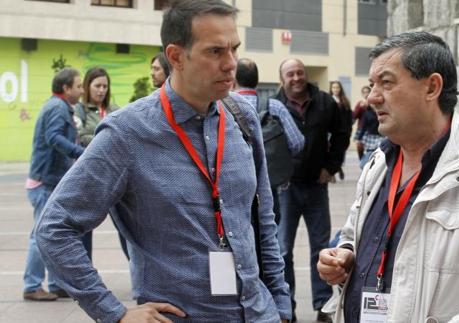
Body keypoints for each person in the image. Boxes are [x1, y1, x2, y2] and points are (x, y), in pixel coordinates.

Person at [35, 1, 291, 322]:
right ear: (175, 57)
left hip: (258, 312)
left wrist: (281, 305)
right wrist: (113, 312)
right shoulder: (127, 132)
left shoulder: (242, 117)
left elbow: (263, 218)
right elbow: (54, 229)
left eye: (234, 49)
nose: (231, 64)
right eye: (215, 52)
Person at [317, 31, 459, 323]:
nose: (372, 97)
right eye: (372, 85)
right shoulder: (378, 164)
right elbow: (352, 235)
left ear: (432, 87)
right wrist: (344, 255)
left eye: (386, 82)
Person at [273, 58, 350, 322]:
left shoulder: (325, 102)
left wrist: (331, 166)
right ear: (282, 78)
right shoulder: (274, 106)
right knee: (283, 250)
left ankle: (321, 306)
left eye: (300, 72)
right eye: (290, 74)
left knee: (321, 249)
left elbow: (342, 132)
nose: (296, 78)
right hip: (286, 189)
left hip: (317, 188)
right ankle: (287, 308)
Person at [23, 68, 85, 301]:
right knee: (41, 235)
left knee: (52, 234)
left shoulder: (57, 106)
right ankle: (32, 285)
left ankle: (57, 283)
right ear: (66, 88)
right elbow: (54, 137)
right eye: (78, 86)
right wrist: (82, 153)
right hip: (46, 182)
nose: (81, 90)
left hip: (49, 180)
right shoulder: (57, 108)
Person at [235, 58, 305, 224]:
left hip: (233, 190)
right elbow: (298, 142)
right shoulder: (275, 106)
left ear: (234, 79)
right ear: (257, 80)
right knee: (268, 236)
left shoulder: (220, 106)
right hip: (268, 187)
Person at [74, 67, 129, 260]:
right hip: (90, 178)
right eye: (97, 85)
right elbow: (80, 137)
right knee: (83, 230)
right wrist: (106, 137)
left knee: (127, 227)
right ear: (88, 86)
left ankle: (137, 270)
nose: (101, 90)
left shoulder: (114, 109)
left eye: (105, 86)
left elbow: (124, 134)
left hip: (115, 177)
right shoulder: (79, 111)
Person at [329, 81, 353, 181]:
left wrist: (349, 130)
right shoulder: (328, 100)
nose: (335, 90)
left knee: (341, 152)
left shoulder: (345, 101)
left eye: (337, 88)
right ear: (331, 89)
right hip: (331, 131)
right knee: (330, 152)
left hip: (343, 131)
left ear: (340, 89)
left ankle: (338, 167)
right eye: (334, 88)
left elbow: (349, 117)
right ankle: (332, 173)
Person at [354, 105, 383, 169]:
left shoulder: (382, 112)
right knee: (363, 164)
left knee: (379, 155)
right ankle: (364, 163)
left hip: (382, 138)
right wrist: (359, 138)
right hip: (371, 139)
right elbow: (363, 127)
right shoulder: (367, 113)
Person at [352, 85, 372, 160]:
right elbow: (354, 116)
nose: (366, 94)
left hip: (371, 129)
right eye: (364, 92)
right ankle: (362, 161)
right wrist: (360, 107)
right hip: (361, 128)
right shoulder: (360, 103)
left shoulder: (373, 103)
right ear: (362, 94)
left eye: (367, 92)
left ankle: (369, 163)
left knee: (371, 149)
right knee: (359, 146)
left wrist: (369, 106)